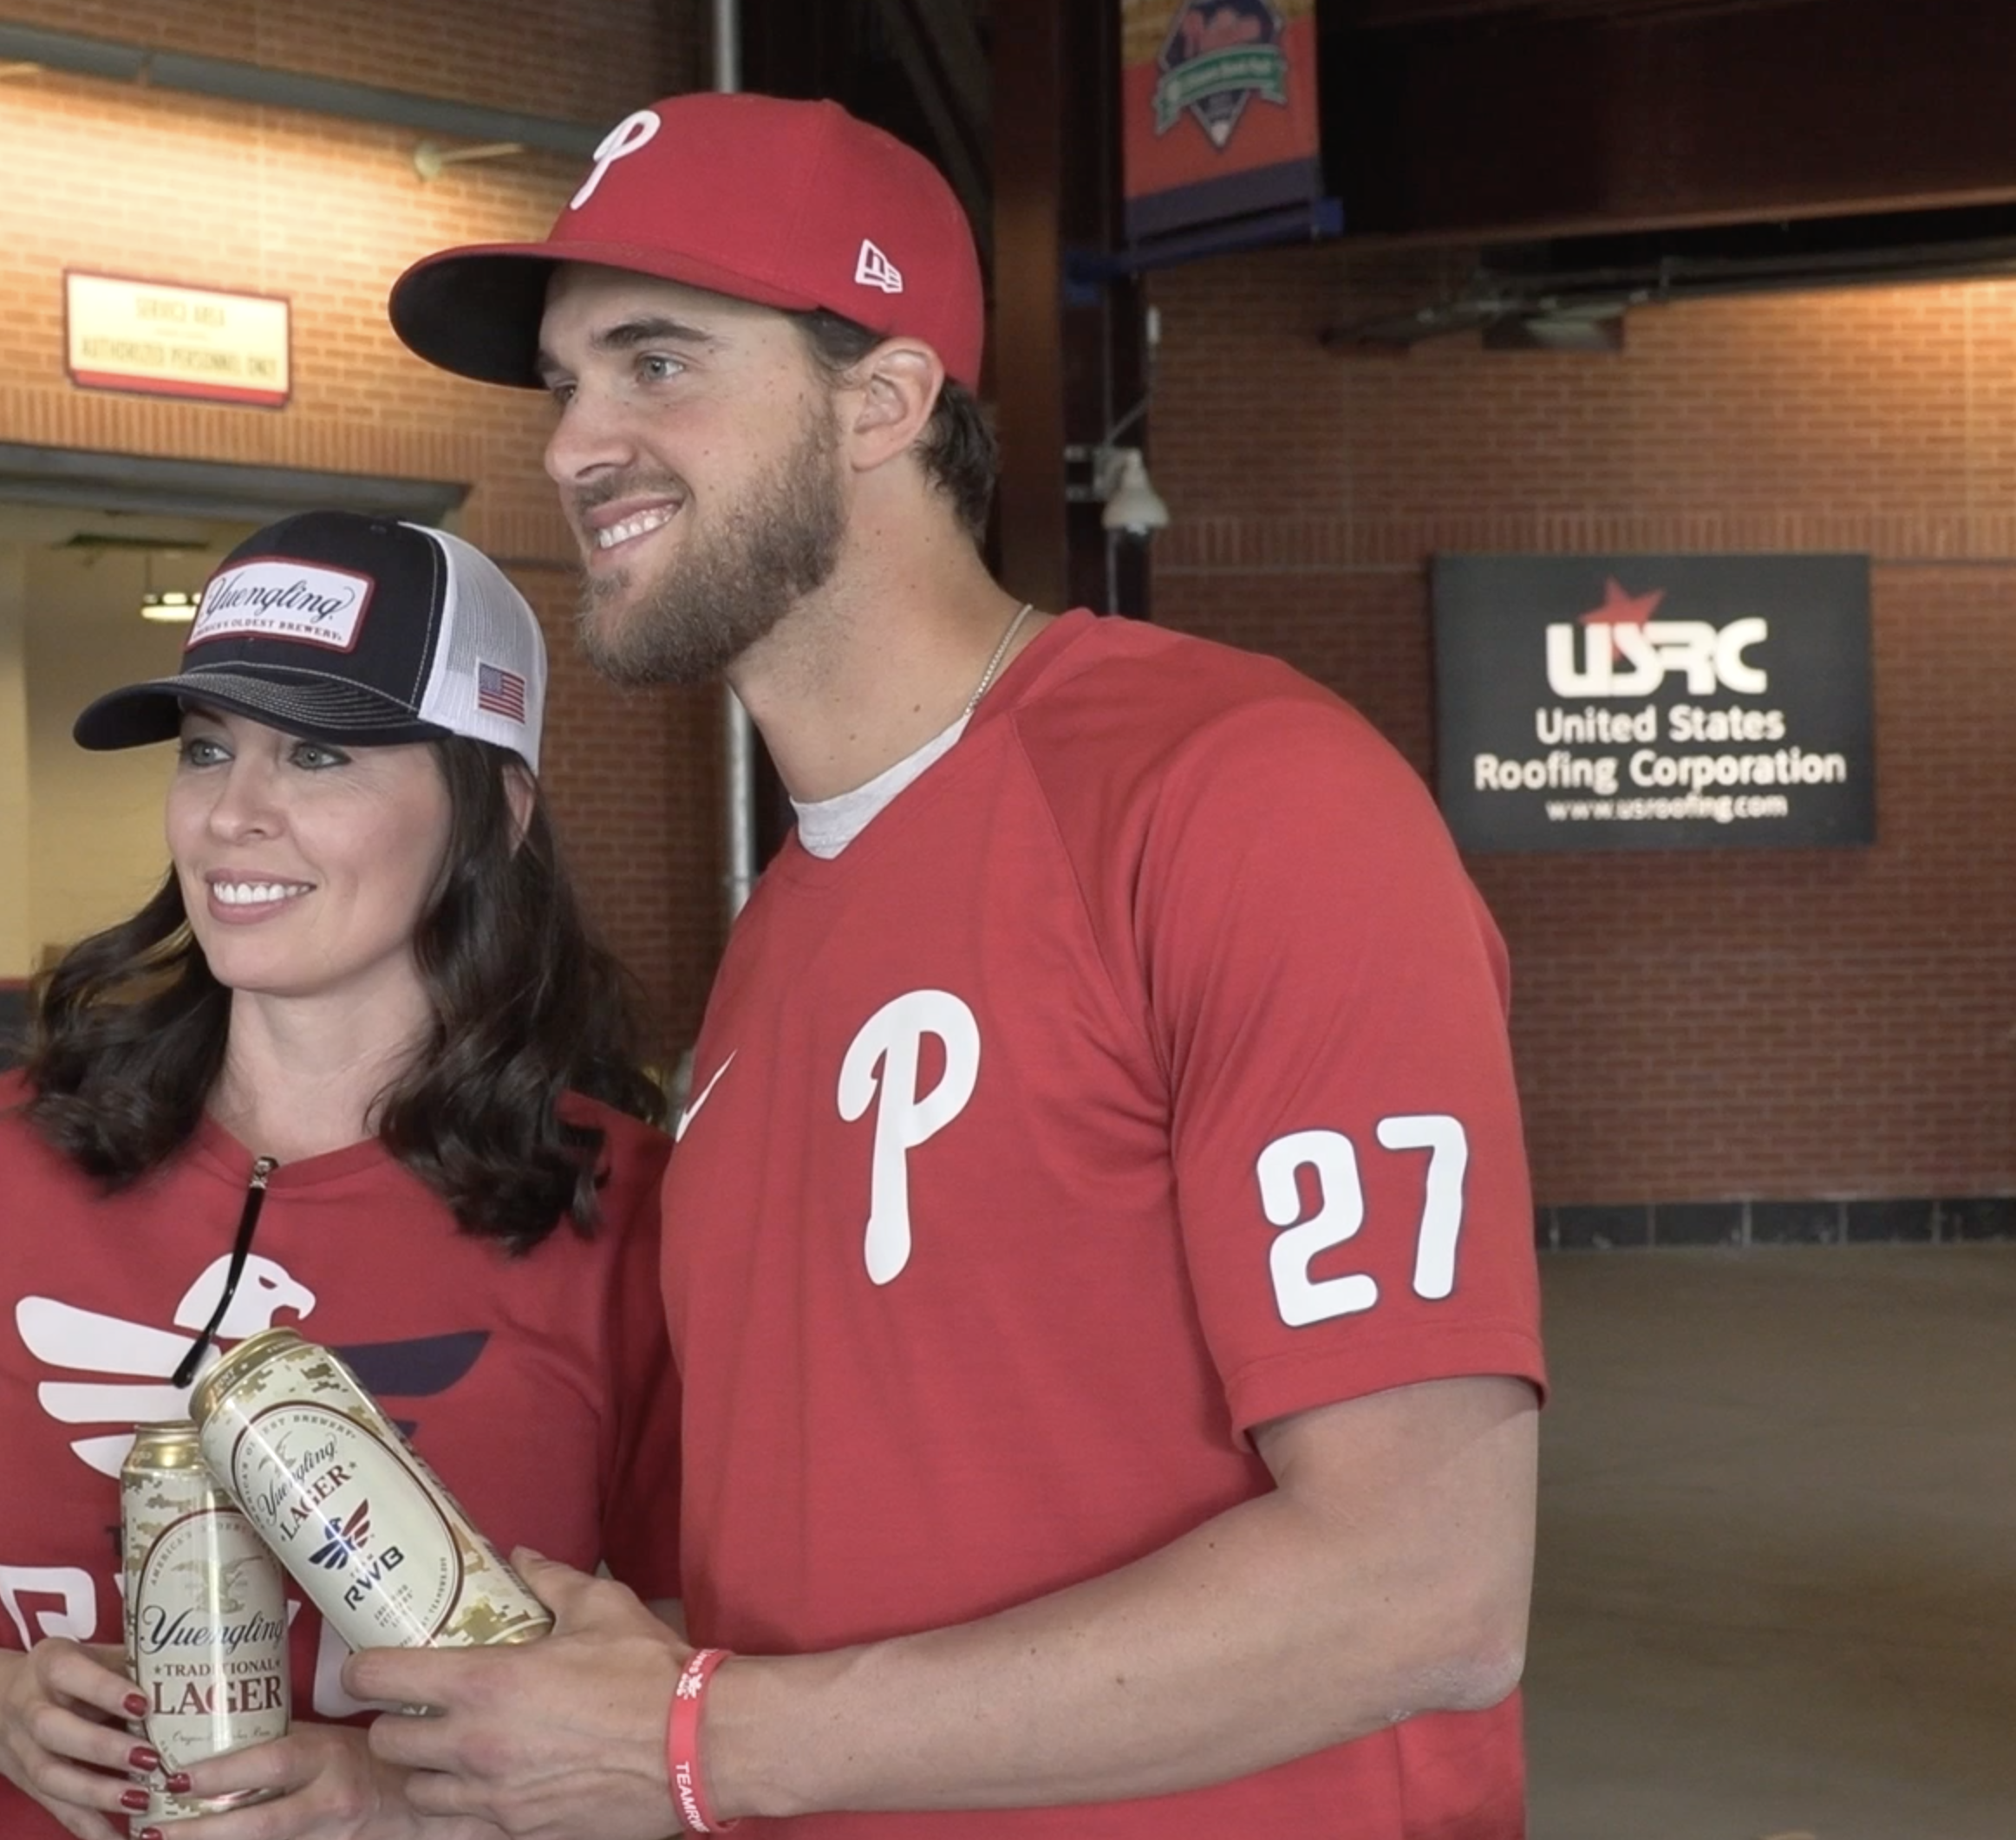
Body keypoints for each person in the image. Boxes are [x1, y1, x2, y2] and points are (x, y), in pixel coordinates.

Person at [360, 91, 1549, 1837]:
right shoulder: (780, 937)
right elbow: (878, 1579)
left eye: (655, 362)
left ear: (884, 398)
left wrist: (692, 1742)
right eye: (562, 382)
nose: (571, 443)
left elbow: (1419, 1585)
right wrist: (603, 1701)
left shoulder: (1236, 797)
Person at [0, 510, 682, 1840]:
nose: (230, 811)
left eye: (318, 754)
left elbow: (688, 1681)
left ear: (492, 809)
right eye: (208, 748)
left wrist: (393, 1797)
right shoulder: (11, 1146)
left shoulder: (620, 1201)